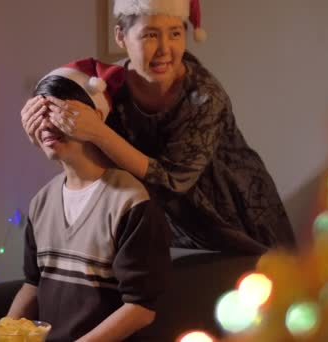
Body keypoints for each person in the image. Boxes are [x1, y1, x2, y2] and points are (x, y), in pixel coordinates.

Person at [20, 0, 296, 254]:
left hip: (234, 220)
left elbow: (172, 181)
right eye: (150, 35)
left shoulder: (204, 97)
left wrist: (97, 132)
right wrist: (43, 131)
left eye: (175, 33)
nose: (165, 49)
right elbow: (93, 160)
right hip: (164, 221)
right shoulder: (104, 87)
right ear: (121, 36)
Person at [0, 59, 171, 341]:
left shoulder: (130, 202)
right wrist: (5, 332)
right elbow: (33, 284)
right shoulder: (42, 202)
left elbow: (141, 308)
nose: (46, 123)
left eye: (57, 111)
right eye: (39, 113)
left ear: (92, 119)